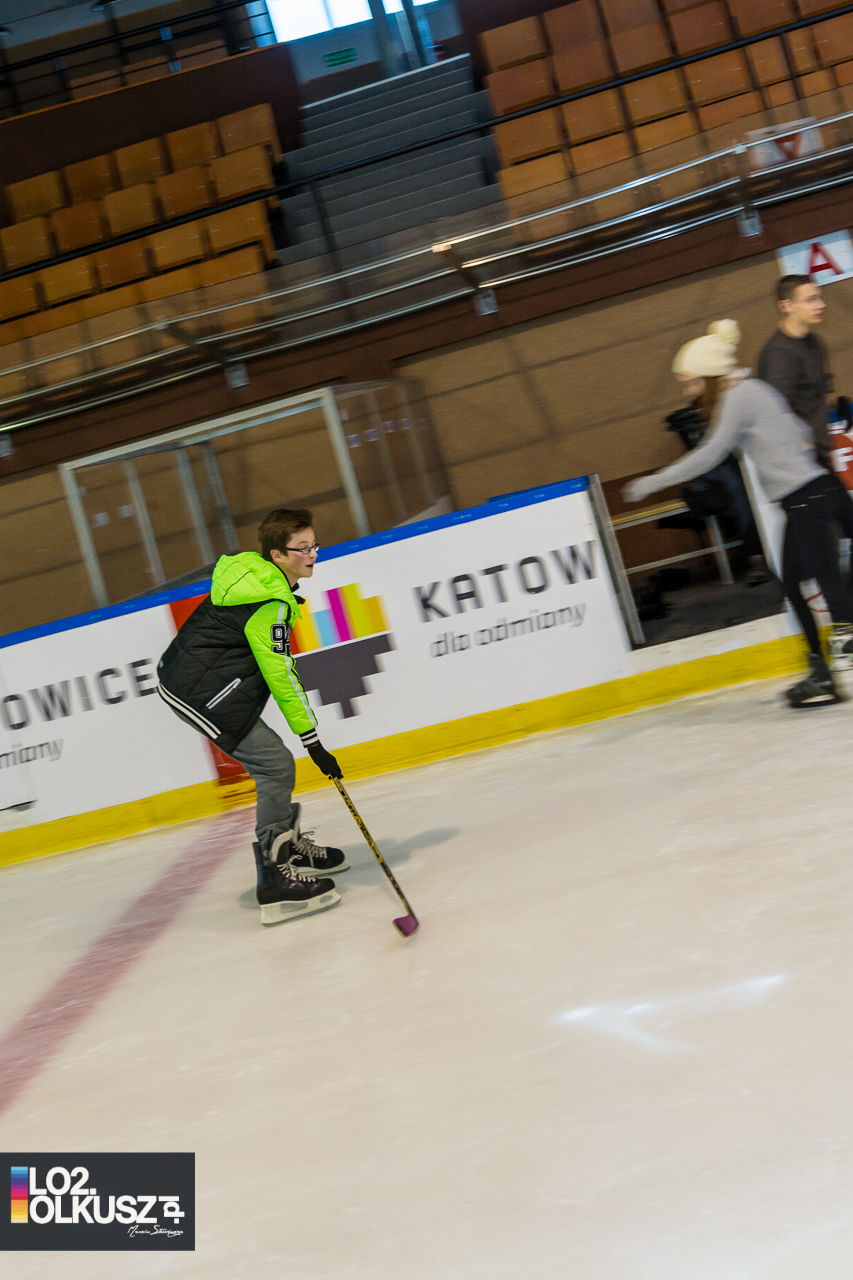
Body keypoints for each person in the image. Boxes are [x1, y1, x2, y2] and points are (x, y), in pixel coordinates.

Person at [623, 320, 853, 707]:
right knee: (794, 586)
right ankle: (821, 675)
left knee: (831, 592)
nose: (689, 391)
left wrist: (653, 482)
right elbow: (799, 430)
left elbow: (710, 454)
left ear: (710, 376)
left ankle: (837, 653)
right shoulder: (756, 389)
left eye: (691, 382)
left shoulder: (737, 397)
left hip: (808, 500)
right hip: (816, 493)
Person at [157, 507, 348, 926]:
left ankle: (287, 847)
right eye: (302, 548)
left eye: (314, 545)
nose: (312, 554)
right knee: (275, 764)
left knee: (275, 763)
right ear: (277, 555)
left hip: (202, 680)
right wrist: (312, 740)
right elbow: (281, 674)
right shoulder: (269, 601)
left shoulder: (260, 579)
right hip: (196, 691)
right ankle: (275, 876)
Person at [756, 274, 833, 469]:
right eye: (811, 300)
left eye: (819, 297)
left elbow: (820, 392)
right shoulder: (780, 354)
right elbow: (776, 411)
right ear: (787, 306)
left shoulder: (815, 342)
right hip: (800, 459)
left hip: (820, 450)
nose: (821, 305)